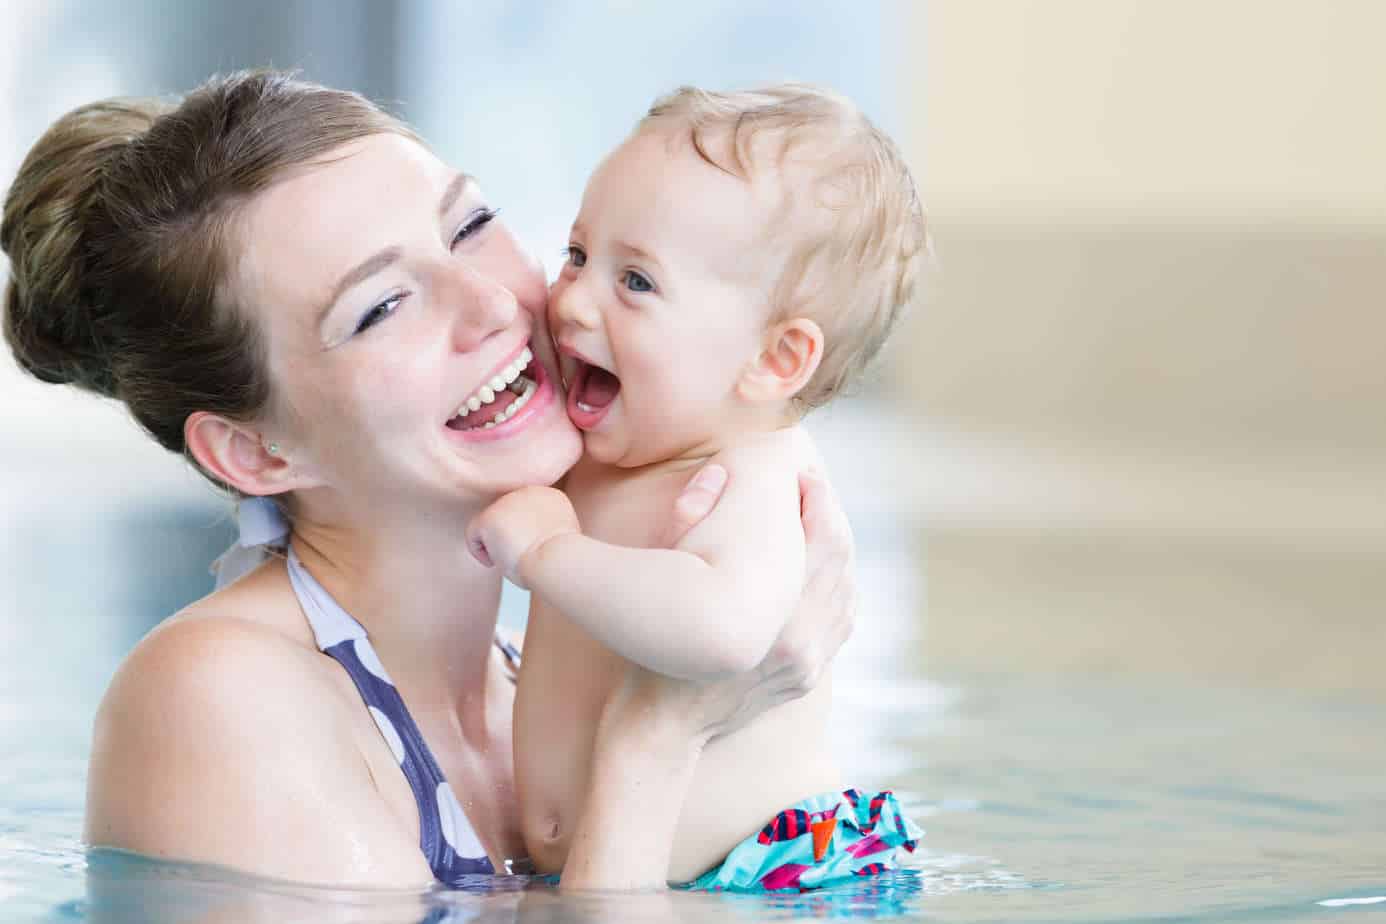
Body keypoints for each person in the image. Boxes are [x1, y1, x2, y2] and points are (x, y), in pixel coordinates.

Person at [0, 70, 855, 891]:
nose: (490, 303)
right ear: (255, 453)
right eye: (381, 307)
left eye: (470, 225)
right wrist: (659, 737)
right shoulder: (217, 698)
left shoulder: (542, 677)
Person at [466, 85, 927, 891]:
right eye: (578, 255)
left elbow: (722, 633)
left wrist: (548, 552)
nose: (573, 300)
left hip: (763, 876)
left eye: (636, 282)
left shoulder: (750, 470)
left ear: (774, 361)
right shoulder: (615, 442)